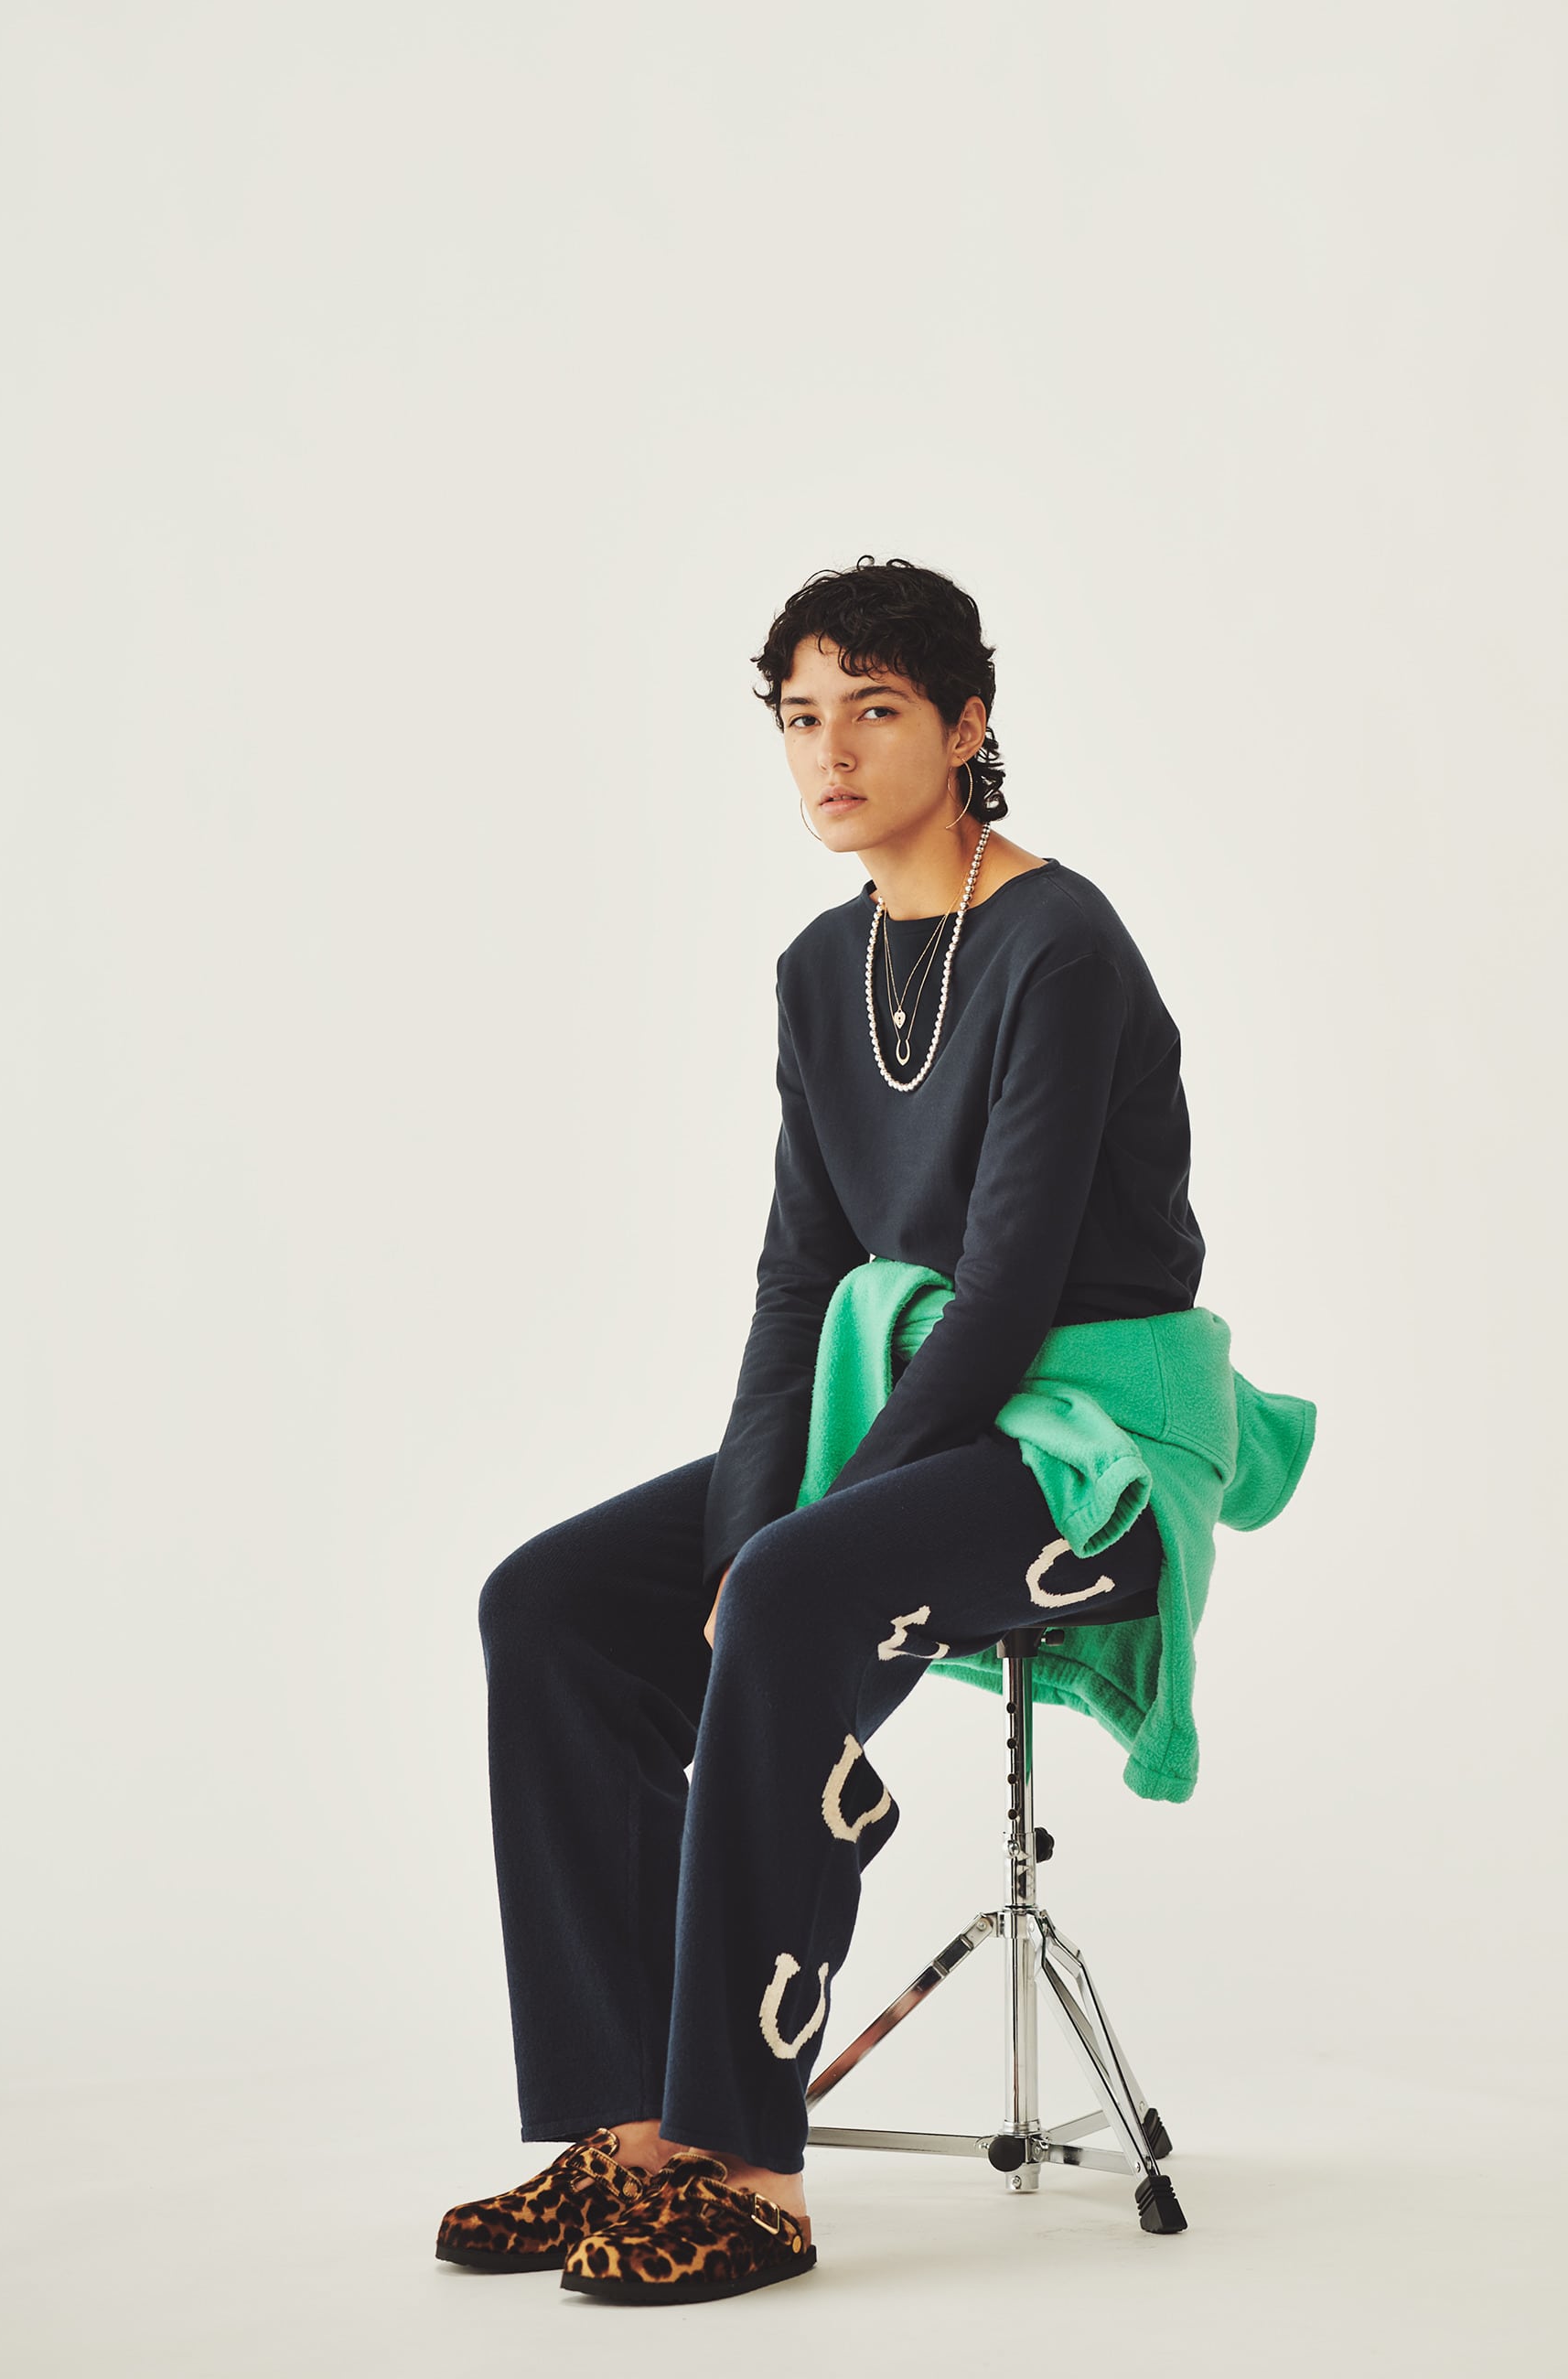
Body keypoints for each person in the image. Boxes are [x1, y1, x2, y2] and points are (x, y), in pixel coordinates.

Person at [435, 554, 1207, 2306]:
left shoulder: (1062, 944)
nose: (829, 754)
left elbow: (1005, 1294)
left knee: (791, 1589)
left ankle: (752, 2175)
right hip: (913, 1408)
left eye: (873, 710)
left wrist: (789, 1546)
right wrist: (740, 1531)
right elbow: (801, 1284)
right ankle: (629, 2134)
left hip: (1088, 1444)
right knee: (549, 1605)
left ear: (965, 724)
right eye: (799, 718)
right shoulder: (816, 968)